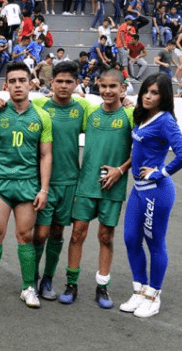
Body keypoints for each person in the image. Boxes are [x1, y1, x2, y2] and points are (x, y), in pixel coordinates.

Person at [0, 61, 52, 309]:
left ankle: (28, 287)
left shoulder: (42, 116)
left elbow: (46, 155)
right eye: (12, 81)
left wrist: (44, 189)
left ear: (30, 84)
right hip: (0, 183)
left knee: (24, 236)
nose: (17, 85)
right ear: (6, 85)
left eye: (22, 81)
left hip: (28, 185)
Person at [119, 73, 182, 318]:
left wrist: (160, 171)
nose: (148, 96)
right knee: (130, 239)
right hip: (138, 191)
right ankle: (139, 290)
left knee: (155, 244)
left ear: (164, 96)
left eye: (155, 93)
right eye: (146, 92)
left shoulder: (166, 121)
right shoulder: (142, 115)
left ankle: (153, 295)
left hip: (156, 193)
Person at [59, 69, 133, 309]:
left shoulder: (131, 114)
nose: (108, 91)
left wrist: (120, 170)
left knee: (105, 236)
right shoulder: (89, 112)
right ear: (98, 88)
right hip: (87, 183)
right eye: (104, 87)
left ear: (123, 89)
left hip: (114, 186)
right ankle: (71, 284)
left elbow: (141, 149)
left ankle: (102, 286)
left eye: (113, 87)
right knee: (78, 233)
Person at [29, 61, 91, 300]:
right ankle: (31, 277)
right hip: (44, 182)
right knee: (41, 233)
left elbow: (109, 110)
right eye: (60, 81)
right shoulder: (39, 104)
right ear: (51, 83)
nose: (64, 86)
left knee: (57, 233)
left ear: (76, 84)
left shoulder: (83, 107)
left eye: (69, 82)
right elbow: (15, 106)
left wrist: (126, 102)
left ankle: (48, 279)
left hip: (69, 182)